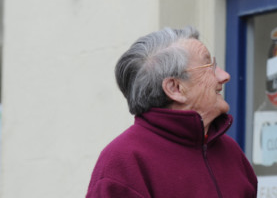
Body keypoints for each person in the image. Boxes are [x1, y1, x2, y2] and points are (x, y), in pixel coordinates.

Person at [87, 26, 257, 198]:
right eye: (209, 66)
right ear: (175, 88)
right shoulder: (123, 161)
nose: (224, 76)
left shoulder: (230, 151)